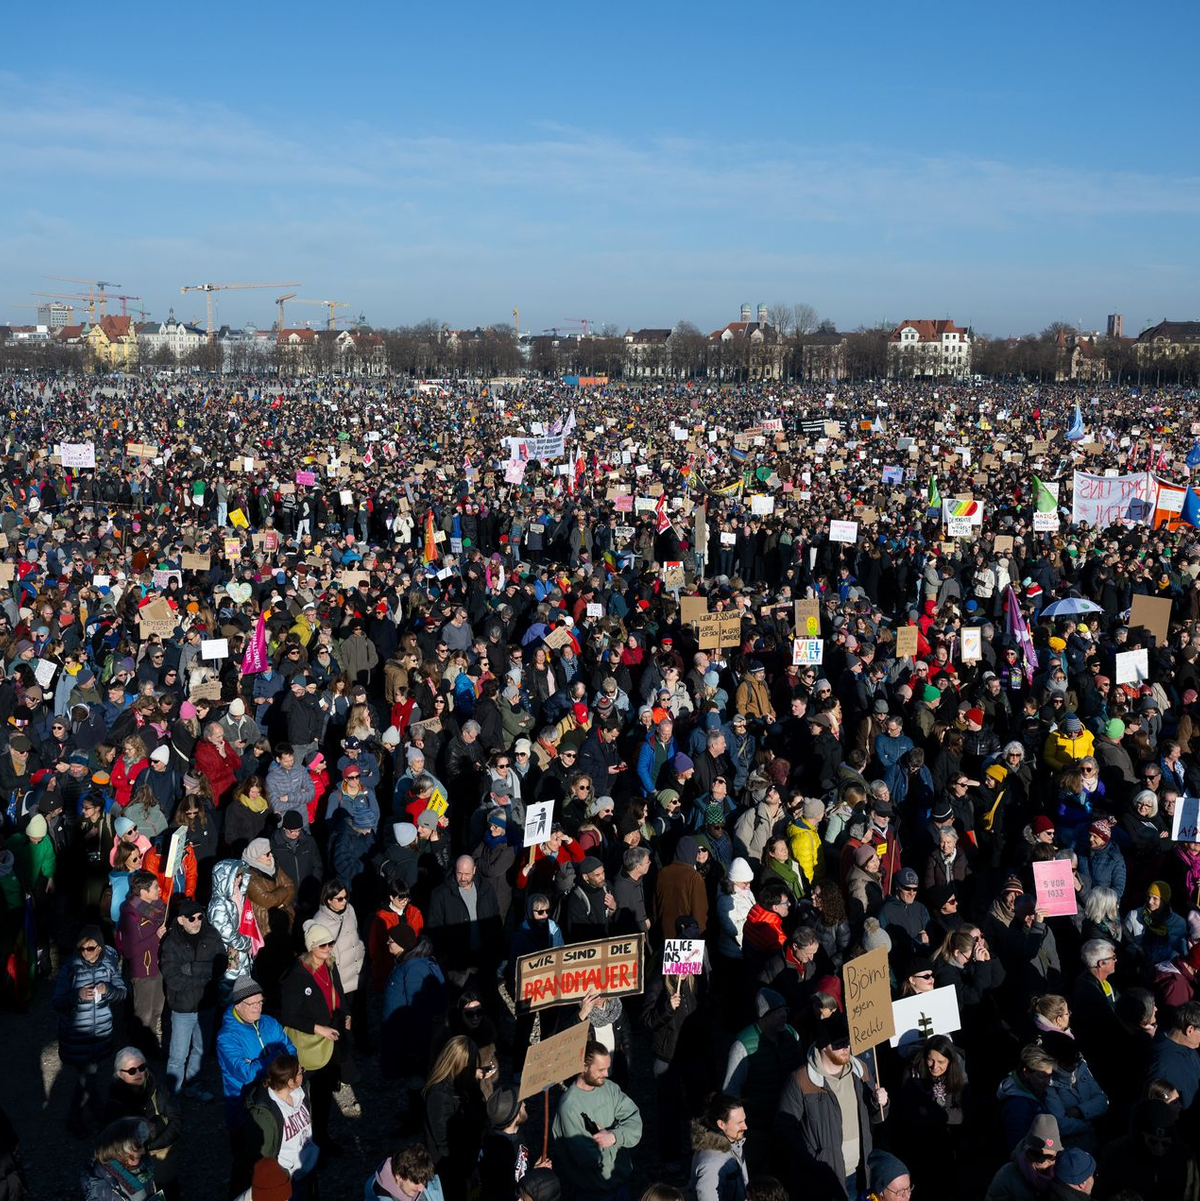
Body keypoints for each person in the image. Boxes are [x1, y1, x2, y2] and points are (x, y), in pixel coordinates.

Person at [775, 1012, 888, 1199]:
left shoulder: (861, 1070)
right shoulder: (801, 1080)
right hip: (825, 1177)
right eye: (838, 1044)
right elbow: (784, 1129)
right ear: (823, 1047)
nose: (845, 1048)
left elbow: (877, 1117)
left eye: (848, 1043)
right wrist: (812, 1159)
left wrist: (881, 1103)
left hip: (861, 1172)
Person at [280, 921, 351, 1152]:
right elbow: (288, 1016)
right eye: (323, 945)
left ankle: (322, 1137)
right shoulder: (297, 975)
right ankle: (304, 1144)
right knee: (303, 1095)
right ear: (311, 946)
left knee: (324, 1092)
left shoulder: (330, 965)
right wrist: (317, 1028)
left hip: (331, 1038)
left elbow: (339, 991)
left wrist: (346, 1012)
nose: (329, 948)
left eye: (331, 943)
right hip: (310, 1043)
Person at [53, 925, 127, 1137]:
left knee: (89, 1079)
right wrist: (77, 996)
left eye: (91, 948)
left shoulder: (109, 967)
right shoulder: (70, 969)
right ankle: (82, 1119)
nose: (87, 953)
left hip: (100, 1034)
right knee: (88, 1079)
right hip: (77, 1037)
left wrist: (108, 991)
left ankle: (98, 1116)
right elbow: (57, 1002)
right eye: (83, 949)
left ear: (101, 947)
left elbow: (122, 993)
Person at [551, 1040, 643, 1201]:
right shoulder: (569, 1107)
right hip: (594, 1193)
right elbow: (590, 1159)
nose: (607, 1074)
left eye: (607, 1068)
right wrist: (621, 1138)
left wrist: (613, 1137)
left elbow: (635, 1124)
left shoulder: (610, 1088)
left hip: (621, 1185)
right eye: (601, 1069)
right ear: (583, 1067)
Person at [159, 895, 225, 1098]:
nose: (197, 921)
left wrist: (192, 969)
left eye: (199, 917)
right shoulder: (171, 942)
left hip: (207, 1004)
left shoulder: (212, 934)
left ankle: (193, 1085)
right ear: (180, 920)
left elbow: (221, 965)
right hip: (183, 1007)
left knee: (200, 1049)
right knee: (178, 1055)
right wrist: (205, 976)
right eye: (191, 918)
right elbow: (173, 979)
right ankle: (174, 1094)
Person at [101, 1048, 182, 1201]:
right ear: (119, 1074)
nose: (138, 1073)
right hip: (137, 1172)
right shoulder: (114, 1104)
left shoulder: (157, 1087)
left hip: (164, 1168)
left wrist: (146, 1146)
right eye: (132, 1070)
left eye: (142, 1068)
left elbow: (176, 1121)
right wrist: (161, 1123)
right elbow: (116, 1144)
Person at [216, 977, 295, 1132]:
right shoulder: (226, 1038)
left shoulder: (269, 1022)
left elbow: (291, 1050)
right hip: (245, 1106)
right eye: (252, 1003)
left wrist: (258, 1062)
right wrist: (275, 1057)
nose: (258, 1008)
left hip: (276, 1098)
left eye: (260, 1002)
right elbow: (247, 1074)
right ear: (237, 1005)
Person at [238, 1051, 318, 1201]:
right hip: (288, 1178)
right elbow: (263, 1157)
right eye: (301, 1072)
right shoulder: (264, 1114)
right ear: (290, 1082)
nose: (304, 1073)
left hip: (307, 1168)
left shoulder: (301, 1092)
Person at [422, 1035, 486, 1196]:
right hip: (452, 1169)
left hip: (468, 1158)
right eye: (470, 1067)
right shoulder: (439, 1096)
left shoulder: (463, 1083)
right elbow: (445, 1143)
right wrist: (468, 1170)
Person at [117, 869, 168, 1057]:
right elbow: (131, 950)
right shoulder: (130, 916)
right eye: (155, 887)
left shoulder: (156, 908)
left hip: (158, 967)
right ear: (143, 892)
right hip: (143, 971)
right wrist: (156, 937)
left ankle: (152, 1047)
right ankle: (137, 1053)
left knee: (157, 1011)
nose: (158, 890)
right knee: (143, 1015)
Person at [984, 1114, 1063, 1201]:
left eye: (1049, 1156)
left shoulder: (1064, 1174)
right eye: (1036, 1154)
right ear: (1026, 1150)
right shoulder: (1007, 1175)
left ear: (1057, 1154)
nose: (1042, 1161)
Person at [688, 1093, 749, 1201]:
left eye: (744, 1120)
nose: (745, 1126)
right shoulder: (712, 1163)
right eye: (739, 1123)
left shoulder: (734, 1142)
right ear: (721, 1124)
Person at [80, 1117, 157, 1201]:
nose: (143, 1151)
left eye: (143, 1145)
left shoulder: (143, 1164)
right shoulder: (101, 1189)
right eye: (138, 1148)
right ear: (119, 1152)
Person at [365, 1142, 446, 1201]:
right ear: (399, 1176)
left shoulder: (417, 1176)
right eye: (416, 1182)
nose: (421, 1188)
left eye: (424, 1181)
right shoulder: (380, 1197)